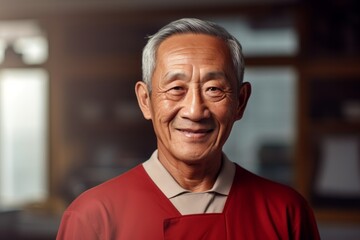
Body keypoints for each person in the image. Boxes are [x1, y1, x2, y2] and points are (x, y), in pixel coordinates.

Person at [56, 18, 320, 239]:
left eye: (214, 89)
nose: (194, 111)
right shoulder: (94, 216)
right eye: (175, 89)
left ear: (240, 102)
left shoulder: (286, 211)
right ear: (145, 101)